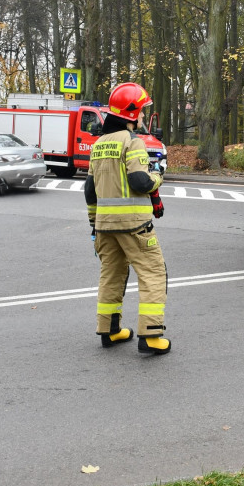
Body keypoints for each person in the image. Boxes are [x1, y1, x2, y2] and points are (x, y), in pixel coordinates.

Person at [84, 82, 171, 355]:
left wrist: (93, 223)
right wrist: (157, 178)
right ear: (132, 113)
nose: (144, 116)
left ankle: (110, 331)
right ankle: (151, 335)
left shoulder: (98, 145)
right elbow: (140, 181)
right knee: (154, 274)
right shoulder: (132, 142)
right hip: (135, 226)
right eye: (143, 111)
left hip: (104, 226)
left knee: (111, 275)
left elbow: (90, 190)